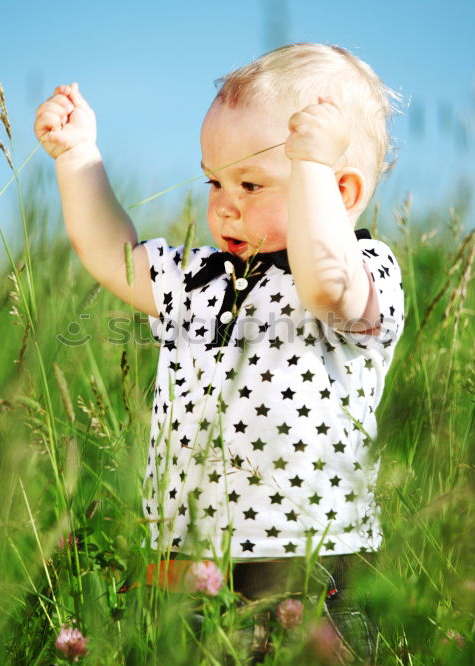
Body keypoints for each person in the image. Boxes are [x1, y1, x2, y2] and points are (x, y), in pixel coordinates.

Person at [35, 42, 405, 659]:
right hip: (186, 549)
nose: (225, 204)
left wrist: (310, 169)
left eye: (252, 183)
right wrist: (78, 159)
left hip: (305, 549)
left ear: (341, 191)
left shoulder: (365, 273)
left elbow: (324, 283)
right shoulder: (202, 276)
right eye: (215, 180)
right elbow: (115, 256)